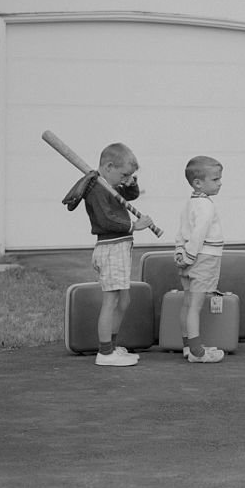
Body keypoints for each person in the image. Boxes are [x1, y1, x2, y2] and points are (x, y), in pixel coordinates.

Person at [83, 143, 155, 367]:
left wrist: (131, 182)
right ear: (108, 166)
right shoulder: (96, 188)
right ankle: (104, 352)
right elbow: (106, 220)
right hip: (110, 248)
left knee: (124, 300)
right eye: (124, 174)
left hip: (120, 249)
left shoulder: (110, 184)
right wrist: (134, 226)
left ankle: (112, 346)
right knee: (112, 300)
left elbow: (129, 195)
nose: (125, 179)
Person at [173, 156, 226, 364]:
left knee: (187, 304)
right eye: (215, 179)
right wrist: (190, 255)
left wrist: (180, 252)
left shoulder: (190, 203)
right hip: (203, 259)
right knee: (195, 306)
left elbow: (182, 231)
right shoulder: (206, 206)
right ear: (198, 183)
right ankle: (197, 351)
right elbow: (199, 233)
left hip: (189, 258)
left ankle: (188, 346)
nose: (220, 183)